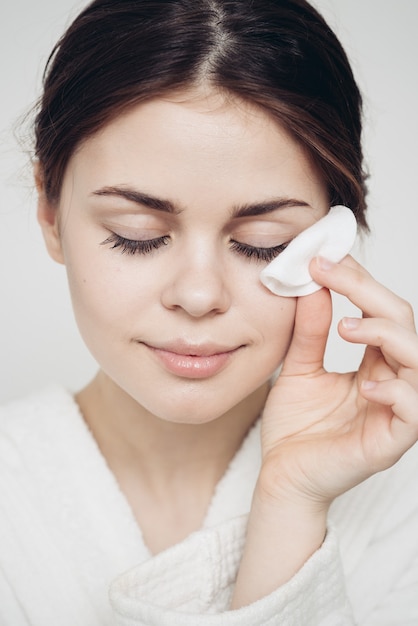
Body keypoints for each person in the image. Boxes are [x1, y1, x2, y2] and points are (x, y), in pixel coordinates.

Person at [1, 0, 417, 624]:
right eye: (135, 233)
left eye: (264, 244)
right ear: (51, 213)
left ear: (334, 235)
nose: (198, 296)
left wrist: (291, 502)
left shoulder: (400, 505)